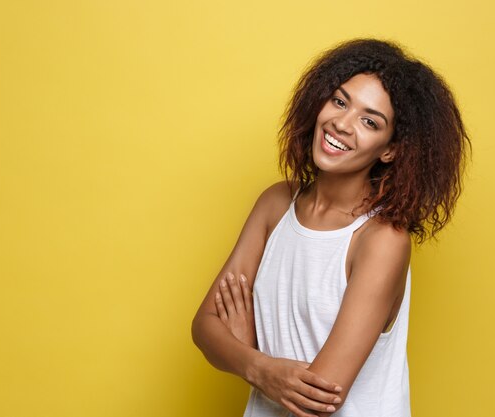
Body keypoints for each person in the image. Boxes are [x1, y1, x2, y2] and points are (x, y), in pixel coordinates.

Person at [191, 38, 471, 417]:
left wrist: (246, 356)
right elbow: (205, 326)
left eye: (369, 121)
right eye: (340, 101)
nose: (341, 123)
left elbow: (321, 397)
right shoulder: (275, 205)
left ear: (389, 150)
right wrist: (258, 365)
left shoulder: (382, 240)